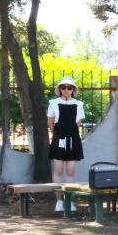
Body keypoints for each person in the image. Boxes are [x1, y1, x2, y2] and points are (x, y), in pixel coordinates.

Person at [48, 77, 85, 212]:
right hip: (59, 139)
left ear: (73, 90)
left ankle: (70, 201)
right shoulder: (53, 103)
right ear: (60, 89)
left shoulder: (79, 104)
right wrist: (58, 135)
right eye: (63, 87)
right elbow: (50, 122)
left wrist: (70, 134)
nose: (66, 90)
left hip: (73, 139)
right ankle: (59, 201)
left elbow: (78, 123)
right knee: (58, 170)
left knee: (71, 171)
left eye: (69, 88)